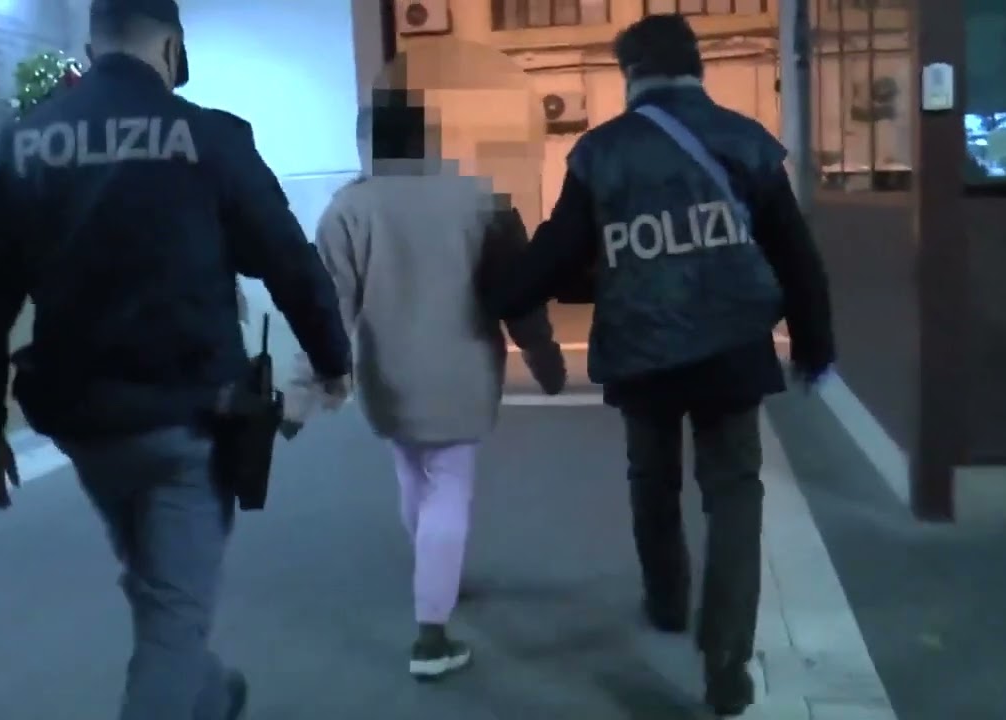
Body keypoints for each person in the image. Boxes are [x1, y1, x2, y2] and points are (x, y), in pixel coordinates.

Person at [0, 0, 352, 718]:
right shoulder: (211, 138)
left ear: (92, 47)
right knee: (172, 613)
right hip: (189, 421)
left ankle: (211, 695)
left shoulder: (24, 144)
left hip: (84, 426)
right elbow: (289, 261)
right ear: (171, 49)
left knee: (160, 584)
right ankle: (192, 691)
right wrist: (331, 358)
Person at [484, 14, 835, 719]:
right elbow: (794, 252)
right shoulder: (745, 140)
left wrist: (497, 300)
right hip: (732, 348)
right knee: (734, 494)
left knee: (652, 479)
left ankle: (668, 599)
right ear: (696, 66)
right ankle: (727, 660)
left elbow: (558, 250)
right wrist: (814, 343)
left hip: (642, 352)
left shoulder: (601, 152)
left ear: (631, 75)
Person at [283, 95, 566, 681]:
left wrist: (300, 397)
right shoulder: (481, 200)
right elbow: (517, 292)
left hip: (388, 377)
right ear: (428, 142)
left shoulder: (347, 210)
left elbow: (327, 311)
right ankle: (431, 634)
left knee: (413, 475)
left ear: (368, 144)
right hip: (463, 371)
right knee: (449, 488)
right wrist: (543, 356)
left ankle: (436, 575)